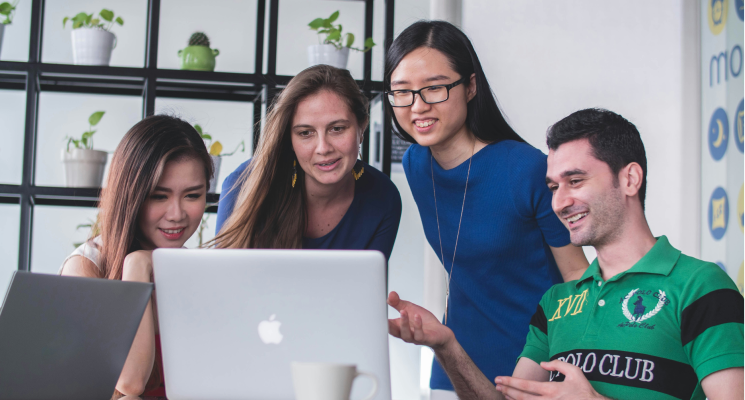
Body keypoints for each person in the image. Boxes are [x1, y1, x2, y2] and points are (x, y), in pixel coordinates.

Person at [387, 108, 745, 399]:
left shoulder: (701, 287)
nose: (559, 202)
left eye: (575, 181)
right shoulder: (556, 303)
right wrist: (447, 344)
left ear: (630, 179)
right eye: (553, 187)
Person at [383, 20, 589, 396]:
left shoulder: (525, 169)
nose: (418, 106)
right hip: (454, 361)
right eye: (403, 92)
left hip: (533, 366)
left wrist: (565, 370)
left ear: (471, 86)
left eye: (435, 88)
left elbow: (578, 278)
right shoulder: (416, 164)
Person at [60, 115, 213, 397]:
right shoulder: (85, 267)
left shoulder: (194, 271)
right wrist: (137, 267)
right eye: (158, 196)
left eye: (192, 195)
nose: (177, 215)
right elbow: (129, 383)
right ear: (131, 196)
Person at [213, 65, 401, 258]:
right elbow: (223, 281)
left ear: (362, 127)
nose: (323, 148)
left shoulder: (384, 197)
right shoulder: (243, 184)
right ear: (290, 139)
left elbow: (368, 285)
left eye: (337, 128)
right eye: (305, 133)